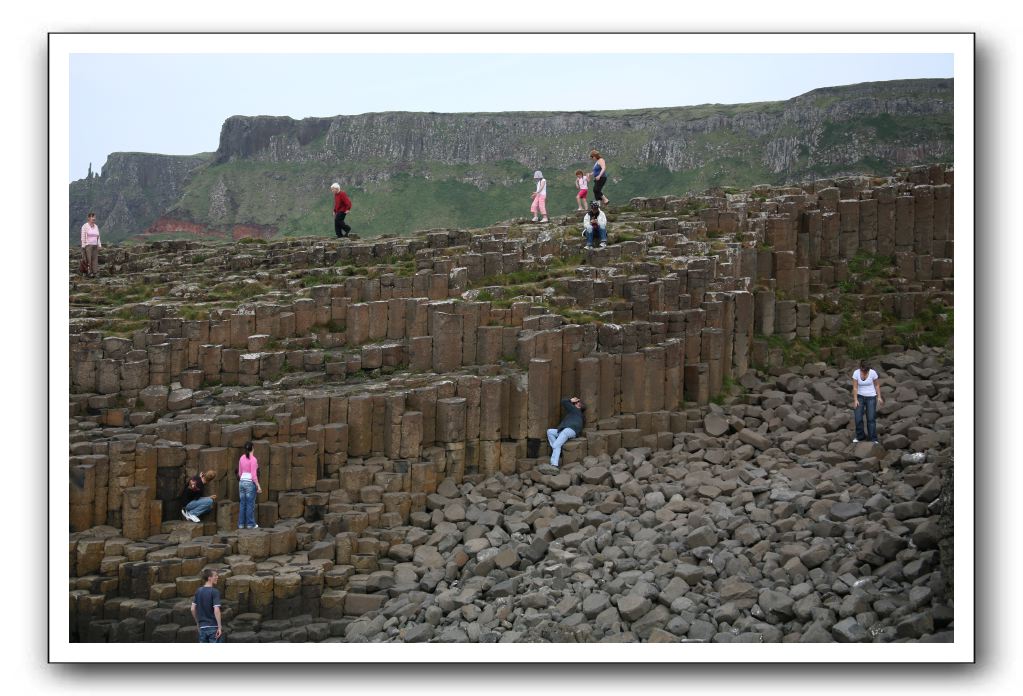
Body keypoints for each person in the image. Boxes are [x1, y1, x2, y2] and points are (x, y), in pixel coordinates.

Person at [542, 396, 586, 472]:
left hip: (569, 430)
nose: (574, 403)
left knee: (556, 445)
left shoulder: (575, 410)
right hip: (566, 430)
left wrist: (571, 400)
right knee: (550, 431)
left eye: (576, 402)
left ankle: (554, 465)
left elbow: (563, 401)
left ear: (579, 406)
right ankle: (556, 449)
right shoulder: (577, 413)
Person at [851, 359, 884, 444]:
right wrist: (855, 400)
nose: (865, 371)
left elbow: (876, 385)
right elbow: (855, 387)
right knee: (858, 418)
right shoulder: (856, 373)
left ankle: (873, 438)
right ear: (860, 367)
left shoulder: (873, 373)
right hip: (860, 397)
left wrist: (879, 397)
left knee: (871, 419)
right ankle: (860, 436)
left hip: (871, 397)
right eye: (864, 370)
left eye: (867, 370)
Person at [191, 568, 224, 643]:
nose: (217, 577)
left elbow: (192, 609)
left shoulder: (198, 591)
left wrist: (198, 623)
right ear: (209, 578)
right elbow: (216, 610)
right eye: (215, 576)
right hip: (213, 627)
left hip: (202, 628)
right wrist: (219, 627)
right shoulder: (214, 591)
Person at [237, 441, 262, 529]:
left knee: (242, 503)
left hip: (241, 482)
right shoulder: (253, 459)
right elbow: (254, 475)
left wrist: (242, 480)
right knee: (250, 504)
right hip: (249, 483)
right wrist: (258, 485)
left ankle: (241, 524)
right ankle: (250, 524)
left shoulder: (241, 458)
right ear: (252, 448)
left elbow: (239, 473)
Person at [80, 212, 101, 277]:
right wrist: (83, 246)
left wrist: (99, 244)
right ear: (89, 218)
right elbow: (83, 236)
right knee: (88, 259)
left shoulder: (96, 226)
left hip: (95, 245)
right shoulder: (85, 226)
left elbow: (98, 236)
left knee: (95, 259)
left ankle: (95, 272)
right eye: (92, 217)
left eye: (94, 217)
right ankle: (89, 272)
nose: (94, 218)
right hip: (88, 245)